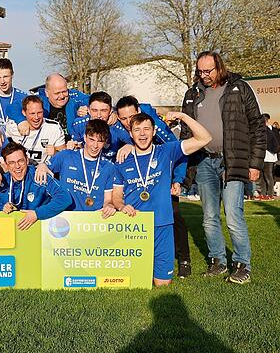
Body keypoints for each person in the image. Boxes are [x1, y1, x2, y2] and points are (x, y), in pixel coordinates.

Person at [180, 51, 265, 284]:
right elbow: (186, 131)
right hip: (204, 161)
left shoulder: (239, 88)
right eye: (200, 71)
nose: (203, 75)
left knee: (233, 215)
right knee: (209, 217)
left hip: (233, 160)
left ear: (219, 67)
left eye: (208, 71)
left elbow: (257, 126)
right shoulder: (192, 94)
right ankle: (217, 261)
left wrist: (255, 163)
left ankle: (241, 265)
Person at [115, 111, 212, 287]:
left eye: (147, 129)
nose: (142, 134)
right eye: (137, 130)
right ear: (131, 133)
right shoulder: (123, 159)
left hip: (162, 223)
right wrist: (121, 205)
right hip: (134, 225)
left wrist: (183, 116)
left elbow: (204, 138)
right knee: (132, 283)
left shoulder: (167, 151)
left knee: (162, 284)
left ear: (154, 132)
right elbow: (116, 196)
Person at [116, 95, 192, 277]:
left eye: (131, 116)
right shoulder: (118, 130)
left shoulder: (157, 128)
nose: (128, 122)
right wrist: (129, 146)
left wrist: (178, 179)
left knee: (173, 215)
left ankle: (183, 259)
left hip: (163, 179)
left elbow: (179, 152)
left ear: (139, 112)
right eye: (124, 119)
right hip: (136, 181)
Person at [35, 120, 120, 215]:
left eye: (100, 141)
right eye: (91, 139)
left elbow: (108, 200)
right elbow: (44, 169)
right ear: (84, 137)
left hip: (94, 219)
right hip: (67, 217)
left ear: (105, 142)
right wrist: (42, 166)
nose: (95, 146)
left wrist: (109, 206)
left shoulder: (109, 167)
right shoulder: (66, 156)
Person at [0, 143, 71, 230]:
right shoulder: (2, 183)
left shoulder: (39, 176)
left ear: (27, 160)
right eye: (12, 163)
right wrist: (2, 208)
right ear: (6, 165)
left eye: (20, 161)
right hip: (12, 234)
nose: (17, 166)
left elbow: (65, 198)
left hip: (41, 233)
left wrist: (37, 214)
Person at [7, 73, 89, 142]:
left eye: (64, 91)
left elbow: (95, 100)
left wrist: (87, 108)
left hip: (71, 146)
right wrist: (21, 120)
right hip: (47, 147)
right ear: (47, 93)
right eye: (57, 93)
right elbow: (12, 107)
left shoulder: (74, 97)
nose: (62, 96)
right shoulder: (39, 100)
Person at [70, 91, 130, 161]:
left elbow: (136, 145)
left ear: (111, 111)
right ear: (88, 110)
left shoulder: (119, 127)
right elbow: (77, 147)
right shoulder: (79, 124)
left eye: (103, 111)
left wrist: (129, 146)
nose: (98, 115)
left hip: (110, 168)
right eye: (94, 110)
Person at [7, 95, 64, 164]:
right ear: (24, 113)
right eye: (32, 113)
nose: (36, 117)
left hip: (43, 170)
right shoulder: (13, 127)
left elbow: (64, 156)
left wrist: (55, 152)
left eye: (39, 113)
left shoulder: (54, 128)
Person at [258, 114, 278, 200]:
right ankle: (263, 194)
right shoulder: (264, 130)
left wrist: (272, 150)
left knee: (268, 176)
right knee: (262, 176)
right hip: (262, 156)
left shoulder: (269, 131)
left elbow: (275, 144)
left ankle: (270, 194)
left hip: (268, 157)